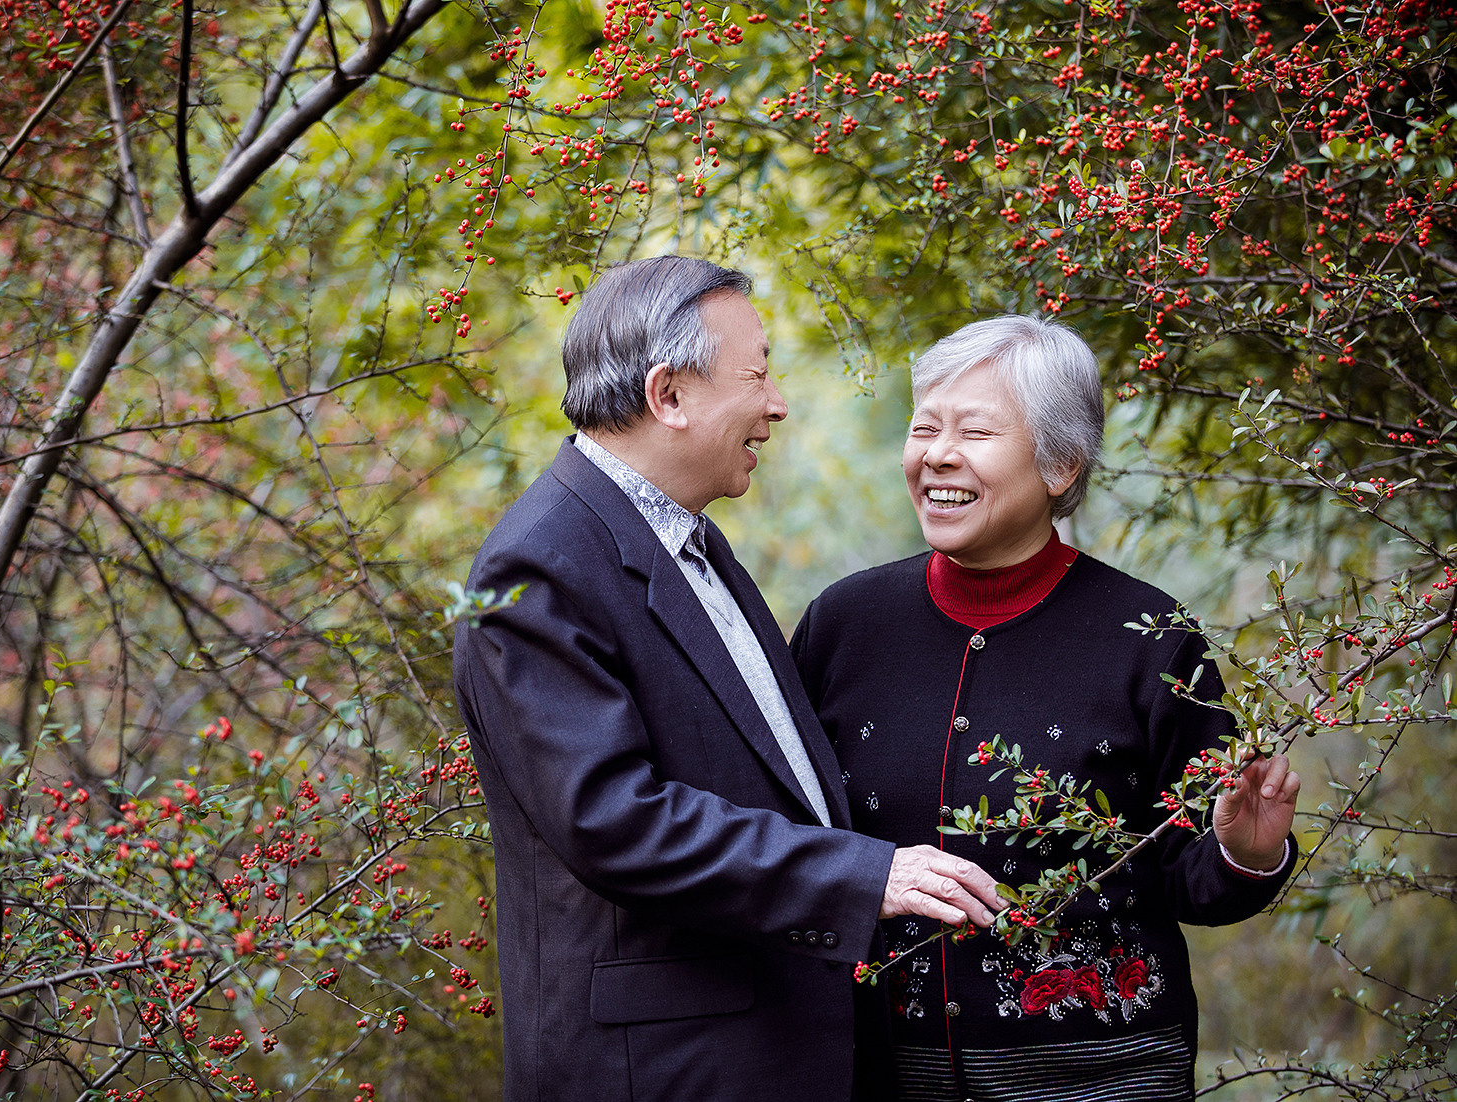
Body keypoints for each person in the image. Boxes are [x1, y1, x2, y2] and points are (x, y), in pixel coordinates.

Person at [452, 256, 1003, 1102]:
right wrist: (862, 877)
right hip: (659, 1071)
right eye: (758, 374)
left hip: (770, 1049)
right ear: (668, 395)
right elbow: (611, 823)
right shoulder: (538, 567)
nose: (777, 403)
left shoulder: (689, 539)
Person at [792, 315, 1301, 1102]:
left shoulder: (1150, 640)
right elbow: (789, 841)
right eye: (924, 426)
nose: (937, 455)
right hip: (878, 1076)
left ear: (1062, 464)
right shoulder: (844, 625)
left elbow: (1189, 880)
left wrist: (1249, 853)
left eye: (975, 432)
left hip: (1104, 1082)